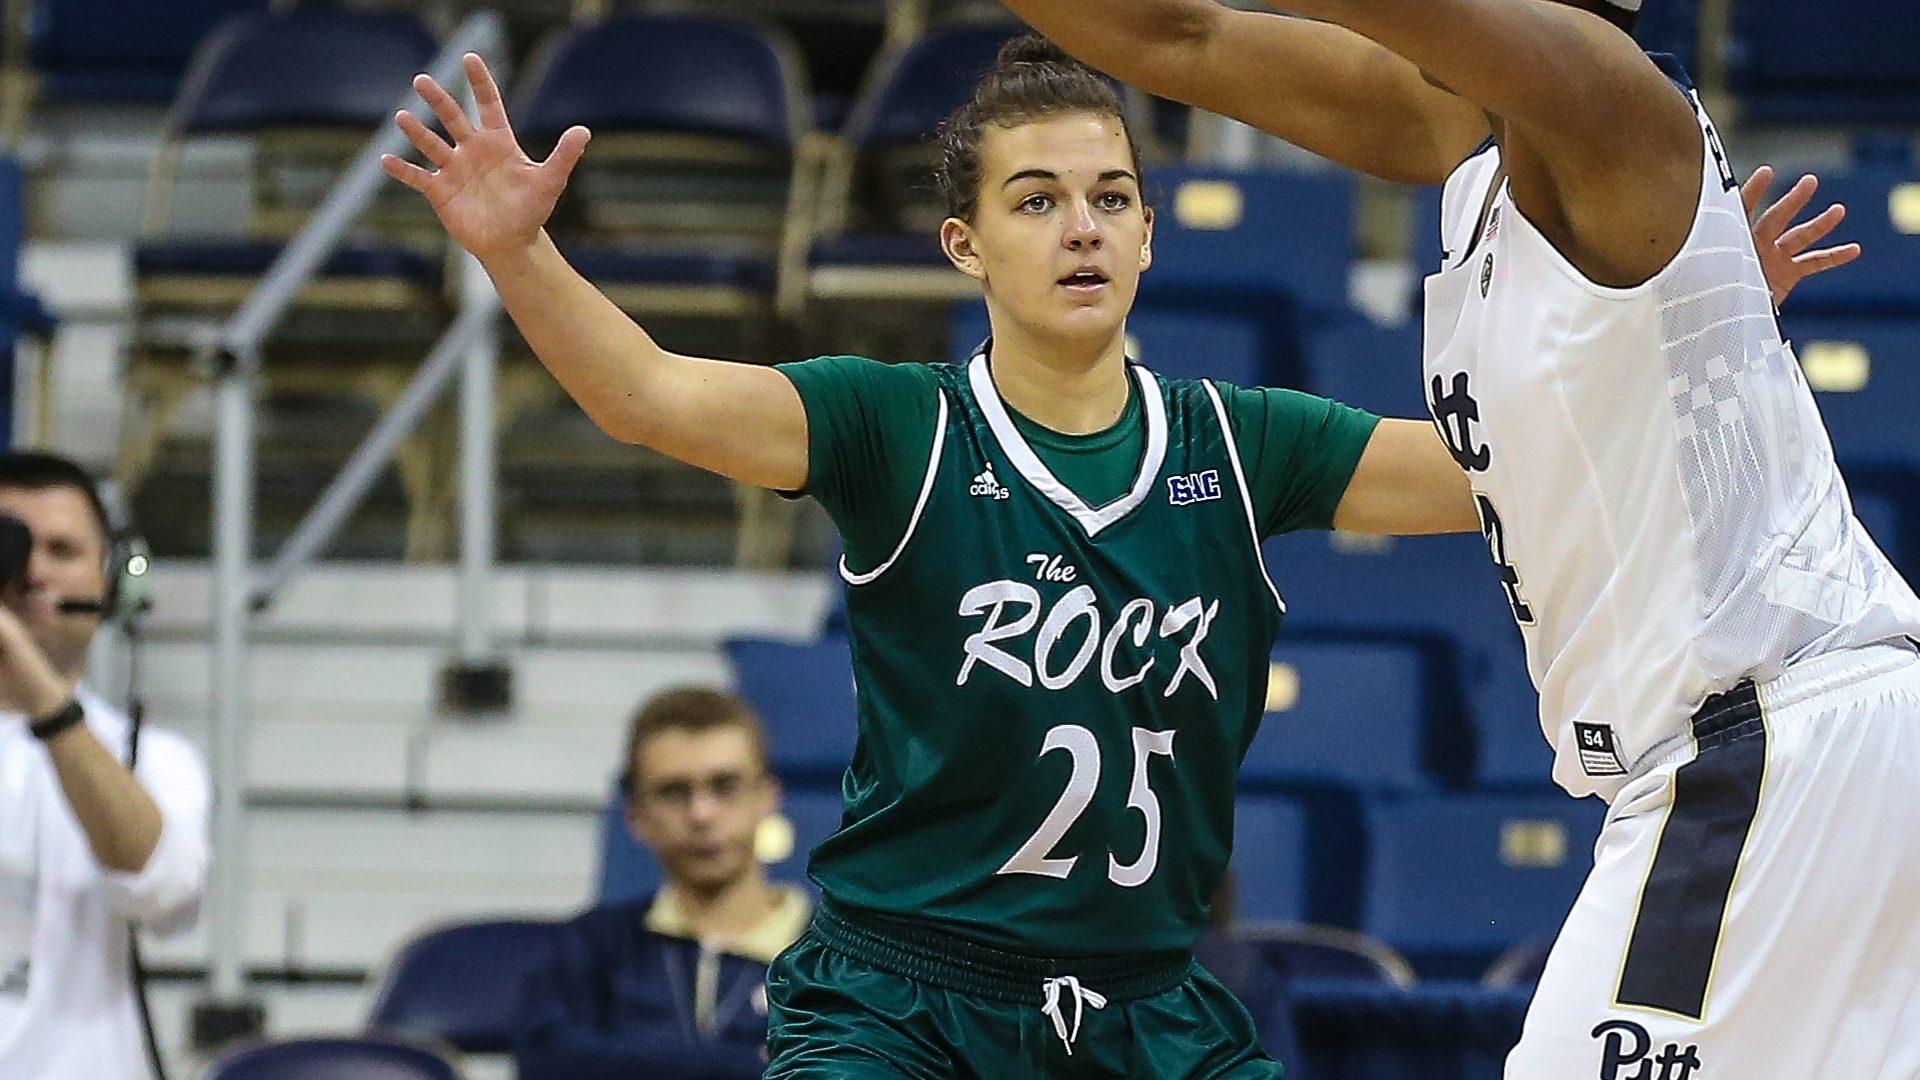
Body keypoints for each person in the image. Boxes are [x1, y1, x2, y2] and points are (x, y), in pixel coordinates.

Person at [384, 36, 1843, 1079]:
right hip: (902, 1003)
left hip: (1150, 1006)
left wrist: (1680, 334)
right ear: (965, 245)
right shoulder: (895, 425)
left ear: (1149, 232)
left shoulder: (1240, 437)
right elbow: (644, 395)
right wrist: (518, 251)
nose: (1078, 226)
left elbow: (1507, 466)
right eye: (1035, 202)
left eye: (1106, 197)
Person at [997, 0, 1920, 1076]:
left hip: (1774, 747)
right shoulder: (1478, 149)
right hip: (1782, 747)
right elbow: (1180, 39)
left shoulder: (1611, 107)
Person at [0, 451, 209, 1079]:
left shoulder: (154, 758)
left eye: (62, 552)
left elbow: (165, 894)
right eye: (8, 548)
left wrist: (34, 685)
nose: (32, 573)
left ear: (112, 581)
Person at [513, 687, 810, 1080]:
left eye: (725, 786)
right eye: (673, 792)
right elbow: (547, 1063)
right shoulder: (590, 946)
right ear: (635, 815)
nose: (701, 814)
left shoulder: (838, 960)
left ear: (768, 799)